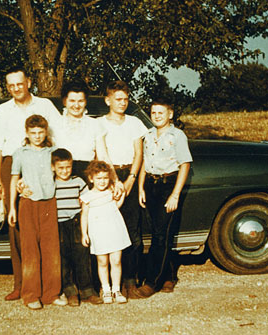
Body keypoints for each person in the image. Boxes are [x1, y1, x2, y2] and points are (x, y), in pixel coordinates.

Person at [0, 67, 61, 301]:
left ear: (28, 82)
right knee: (17, 226)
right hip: (13, 163)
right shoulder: (3, 110)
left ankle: (49, 286)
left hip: (43, 162)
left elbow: (59, 138)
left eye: (19, 83)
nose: (15, 88)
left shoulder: (45, 106)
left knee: (47, 228)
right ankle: (21, 284)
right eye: (10, 85)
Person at [133, 99, 192, 298]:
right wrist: (141, 187)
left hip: (169, 185)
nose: (157, 116)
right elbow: (144, 163)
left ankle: (152, 282)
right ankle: (169, 276)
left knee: (161, 234)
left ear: (170, 115)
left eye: (161, 112)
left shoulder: (178, 136)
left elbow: (185, 165)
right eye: (154, 112)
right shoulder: (148, 136)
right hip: (150, 185)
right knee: (158, 233)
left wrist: (175, 194)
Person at [7, 115, 65, 310]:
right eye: (33, 133)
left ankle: (51, 293)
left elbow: (62, 174)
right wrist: (12, 207)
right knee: (30, 251)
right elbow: (15, 179)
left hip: (49, 203)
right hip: (28, 204)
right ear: (27, 133)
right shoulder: (20, 153)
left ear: (45, 132)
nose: (38, 136)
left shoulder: (53, 152)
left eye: (41, 132)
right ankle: (31, 294)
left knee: (51, 250)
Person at [98, 80, 147, 298]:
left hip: (130, 175)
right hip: (107, 177)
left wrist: (130, 180)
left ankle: (130, 279)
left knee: (132, 231)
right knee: (108, 232)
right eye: (118, 99)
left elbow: (139, 153)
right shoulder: (99, 124)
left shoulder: (135, 123)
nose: (122, 103)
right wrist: (113, 181)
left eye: (126, 99)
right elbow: (102, 152)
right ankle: (106, 283)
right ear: (108, 100)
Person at [52, 148, 103, 306]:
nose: (65, 171)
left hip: (76, 222)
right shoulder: (50, 184)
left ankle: (87, 290)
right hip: (58, 224)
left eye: (68, 167)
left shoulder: (78, 182)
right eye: (60, 168)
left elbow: (87, 201)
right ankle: (70, 291)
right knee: (64, 258)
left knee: (82, 255)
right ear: (53, 167)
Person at [80, 160, 131, 304]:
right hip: (98, 232)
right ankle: (106, 289)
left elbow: (117, 205)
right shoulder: (87, 197)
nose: (102, 182)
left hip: (114, 229)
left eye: (105, 178)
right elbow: (84, 216)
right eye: (98, 178)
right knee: (102, 261)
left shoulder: (111, 191)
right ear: (91, 179)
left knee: (116, 260)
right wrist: (84, 233)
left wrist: (120, 194)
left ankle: (116, 289)